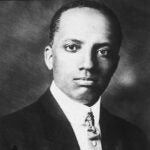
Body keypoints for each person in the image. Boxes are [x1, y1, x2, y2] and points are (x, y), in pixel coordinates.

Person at [0, 0, 148, 150]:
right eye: (72, 47)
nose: (89, 64)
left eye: (103, 52)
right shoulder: (7, 135)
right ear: (50, 58)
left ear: (115, 63)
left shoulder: (134, 138)